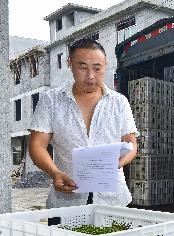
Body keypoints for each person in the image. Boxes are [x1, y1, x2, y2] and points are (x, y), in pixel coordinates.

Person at [28, 38, 137, 208]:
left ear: (106, 64)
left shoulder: (119, 102)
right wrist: (55, 173)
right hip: (66, 200)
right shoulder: (52, 100)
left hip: (112, 200)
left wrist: (114, 164)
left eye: (97, 68)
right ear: (70, 63)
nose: (90, 76)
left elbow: (131, 144)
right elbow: (37, 146)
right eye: (83, 67)